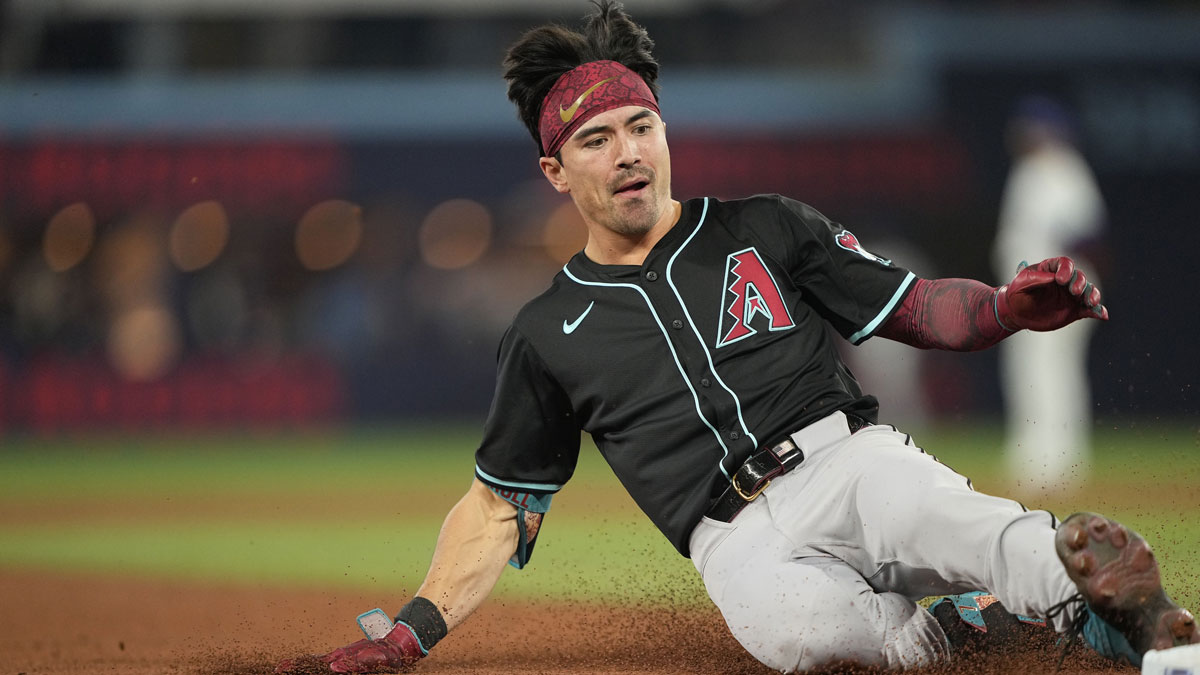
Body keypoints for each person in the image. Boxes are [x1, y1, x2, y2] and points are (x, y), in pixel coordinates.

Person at [276, 3, 1197, 673]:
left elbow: (915, 307)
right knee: (815, 641)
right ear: (555, 170)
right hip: (735, 538)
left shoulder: (763, 225)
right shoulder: (548, 331)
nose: (629, 150)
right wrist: (410, 633)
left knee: (980, 527)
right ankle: (963, 630)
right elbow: (496, 508)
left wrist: (1003, 309)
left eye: (642, 125)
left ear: (665, 132)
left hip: (851, 461)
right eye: (597, 139)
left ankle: (1141, 619)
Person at [992, 96, 1108, 497]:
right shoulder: (1033, 170)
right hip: (1034, 294)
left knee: (1050, 376)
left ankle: (1059, 463)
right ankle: (1039, 459)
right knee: (1034, 376)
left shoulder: (1060, 170)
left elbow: (1085, 234)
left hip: (1058, 292)